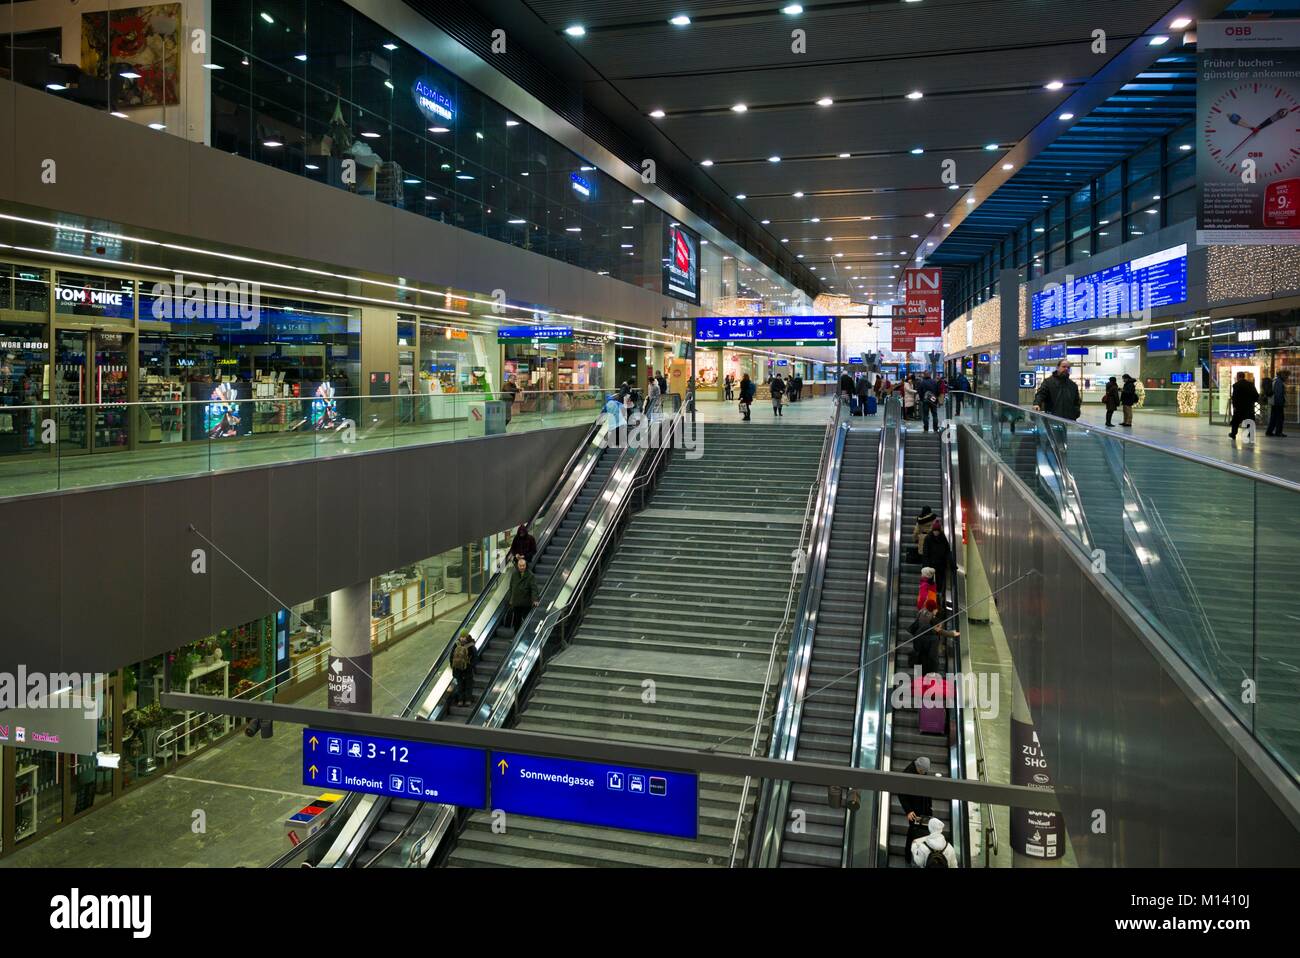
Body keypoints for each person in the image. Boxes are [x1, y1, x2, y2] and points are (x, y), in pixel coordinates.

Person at [910, 594, 959, 676]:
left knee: (921, 664)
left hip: (919, 644)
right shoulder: (932, 636)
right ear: (932, 609)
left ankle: (920, 679)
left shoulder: (922, 612)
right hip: (926, 647)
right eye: (936, 609)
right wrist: (952, 634)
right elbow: (939, 631)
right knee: (927, 664)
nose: (937, 610)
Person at [897, 756, 934, 850]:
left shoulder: (921, 770)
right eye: (922, 771)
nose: (924, 773)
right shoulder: (907, 775)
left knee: (922, 829)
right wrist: (908, 811)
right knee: (913, 830)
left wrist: (929, 805)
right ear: (918, 768)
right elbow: (901, 794)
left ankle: (919, 849)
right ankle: (910, 853)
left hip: (923, 806)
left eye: (925, 772)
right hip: (914, 810)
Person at [505, 554, 539, 630]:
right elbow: (511, 587)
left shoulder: (530, 575)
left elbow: (534, 588)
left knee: (525, 621)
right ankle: (515, 638)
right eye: (520, 566)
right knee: (516, 621)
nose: (522, 567)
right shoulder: (514, 574)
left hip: (525, 603)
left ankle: (525, 636)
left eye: (523, 565)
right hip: (516, 602)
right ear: (518, 565)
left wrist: (535, 599)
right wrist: (511, 599)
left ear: (526, 565)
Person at [1229, 371, 1260, 442]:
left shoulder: (1236, 385)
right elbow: (1255, 395)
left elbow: (1235, 397)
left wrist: (1234, 406)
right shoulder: (1250, 384)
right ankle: (1250, 434)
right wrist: (1253, 401)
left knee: (1236, 421)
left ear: (1238, 377)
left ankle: (1233, 434)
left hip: (1239, 407)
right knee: (1250, 420)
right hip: (1249, 406)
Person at [925, 521, 952, 600]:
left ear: (939, 531)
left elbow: (947, 551)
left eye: (937, 531)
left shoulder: (943, 538)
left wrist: (951, 563)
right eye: (934, 531)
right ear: (932, 530)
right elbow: (926, 553)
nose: (936, 532)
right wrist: (925, 565)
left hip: (941, 564)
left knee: (940, 581)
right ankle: (931, 597)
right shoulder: (928, 538)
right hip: (931, 564)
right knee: (930, 581)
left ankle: (939, 596)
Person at [450, 632, 477, 706]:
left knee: (460, 685)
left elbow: (451, 657)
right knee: (467, 685)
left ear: (467, 637)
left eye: (464, 637)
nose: (462, 638)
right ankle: (466, 700)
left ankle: (461, 700)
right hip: (466, 670)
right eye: (461, 637)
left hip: (459, 670)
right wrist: (472, 666)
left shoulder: (456, 645)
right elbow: (475, 657)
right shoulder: (471, 646)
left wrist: (453, 667)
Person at [1267, 370, 1288, 438]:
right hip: (1277, 403)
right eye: (1286, 376)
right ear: (1282, 375)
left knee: (1273, 417)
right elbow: (1278, 394)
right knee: (1280, 418)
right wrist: (1281, 403)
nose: (1287, 378)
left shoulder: (1275, 380)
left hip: (1274, 402)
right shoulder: (1279, 382)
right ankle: (1278, 432)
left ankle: (1269, 431)